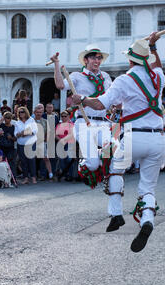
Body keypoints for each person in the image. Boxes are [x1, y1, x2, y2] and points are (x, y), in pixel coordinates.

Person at [71, 34, 165, 252]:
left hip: (134, 137)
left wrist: (82, 99)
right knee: (148, 187)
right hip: (158, 139)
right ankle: (147, 219)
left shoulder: (124, 80)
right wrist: (153, 46)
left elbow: (99, 105)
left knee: (115, 169)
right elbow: (158, 65)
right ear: (147, 57)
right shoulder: (158, 76)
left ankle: (116, 214)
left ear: (130, 60)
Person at [50, 44, 112, 188]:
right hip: (84, 122)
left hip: (103, 123)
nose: (96, 61)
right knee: (93, 164)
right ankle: (84, 165)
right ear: (85, 60)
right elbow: (60, 85)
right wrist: (56, 64)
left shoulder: (106, 76)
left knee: (111, 153)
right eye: (93, 58)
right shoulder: (77, 76)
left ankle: (110, 182)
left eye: (99, 58)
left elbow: (113, 96)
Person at [15, 106, 38, 185]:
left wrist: (24, 133)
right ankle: (26, 178)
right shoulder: (17, 122)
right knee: (23, 161)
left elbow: (35, 131)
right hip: (21, 144)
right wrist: (22, 133)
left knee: (31, 160)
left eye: (22, 112)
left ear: (26, 112)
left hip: (30, 144)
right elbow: (16, 134)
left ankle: (33, 178)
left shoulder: (31, 120)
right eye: (19, 112)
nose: (21, 113)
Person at [33, 104, 54, 181]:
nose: (38, 114)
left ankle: (50, 174)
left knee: (45, 158)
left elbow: (48, 132)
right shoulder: (31, 121)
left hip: (42, 142)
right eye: (37, 112)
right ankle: (33, 175)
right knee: (33, 159)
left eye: (40, 112)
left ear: (42, 113)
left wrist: (46, 139)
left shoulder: (45, 121)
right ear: (34, 112)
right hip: (33, 143)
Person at [0, 111, 17, 176]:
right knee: (2, 163)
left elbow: (16, 139)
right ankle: (3, 177)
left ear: (11, 118)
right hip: (2, 146)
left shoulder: (13, 127)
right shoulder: (1, 125)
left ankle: (13, 177)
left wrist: (11, 138)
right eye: (6, 118)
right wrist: (1, 120)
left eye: (9, 118)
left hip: (10, 147)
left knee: (11, 163)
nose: (7, 119)